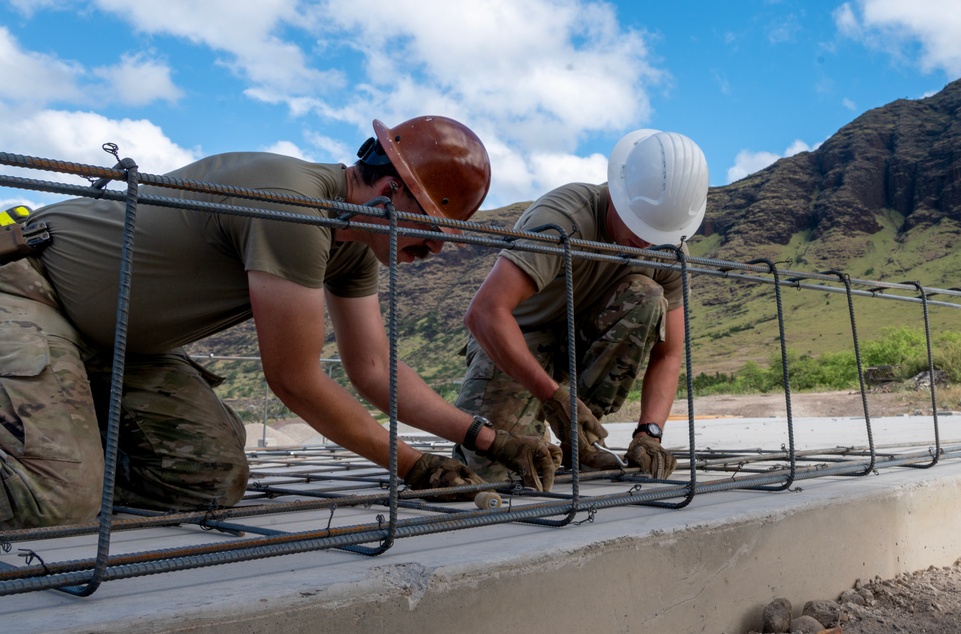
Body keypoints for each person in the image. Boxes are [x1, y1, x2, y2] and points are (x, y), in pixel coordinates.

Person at [0, 115, 559, 530]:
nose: (435, 250)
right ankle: (61, 468)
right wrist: (414, 465)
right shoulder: (295, 207)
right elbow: (294, 379)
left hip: (121, 343)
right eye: (432, 230)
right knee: (58, 500)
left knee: (208, 479)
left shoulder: (353, 244)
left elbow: (374, 368)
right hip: (32, 292)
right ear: (391, 194)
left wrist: (489, 439)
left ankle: (62, 449)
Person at [454, 129, 709, 482]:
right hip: (515, 343)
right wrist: (553, 398)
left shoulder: (669, 252)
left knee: (647, 294)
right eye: (639, 223)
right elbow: (484, 313)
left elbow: (669, 353)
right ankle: (546, 426)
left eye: (658, 232)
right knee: (493, 472)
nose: (646, 241)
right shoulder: (565, 217)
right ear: (617, 189)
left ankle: (580, 439)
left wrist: (649, 433)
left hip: (582, 346)